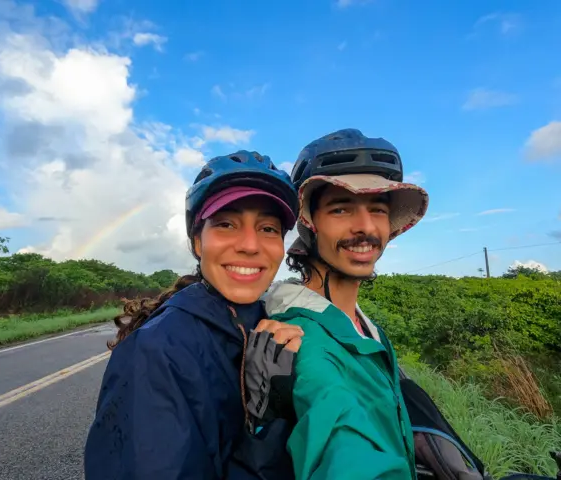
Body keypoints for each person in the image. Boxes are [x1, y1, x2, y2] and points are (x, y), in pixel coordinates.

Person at [84, 150, 304, 480]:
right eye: (226, 224)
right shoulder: (157, 351)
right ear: (197, 242)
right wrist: (267, 424)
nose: (249, 245)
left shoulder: (274, 324)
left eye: (268, 228)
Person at [251, 128, 430, 479]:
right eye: (341, 209)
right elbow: (339, 435)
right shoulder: (305, 339)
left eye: (378, 209)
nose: (365, 227)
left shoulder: (363, 326)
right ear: (309, 223)